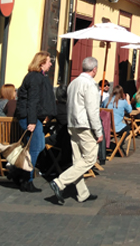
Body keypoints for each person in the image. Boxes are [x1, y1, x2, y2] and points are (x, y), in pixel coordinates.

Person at [49, 57, 103, 205]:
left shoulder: (73, 83)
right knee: (90, 158)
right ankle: (60, 182)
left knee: (78, 160)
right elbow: (92, 111)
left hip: (72, 124)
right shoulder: (90, 85)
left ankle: (82, 193)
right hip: (84, 125)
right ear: (94, 69)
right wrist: (98, 131)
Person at [15, 51, 57, 193]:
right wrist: (32, 121)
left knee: (36, 146)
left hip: (33, 117)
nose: (51, 64)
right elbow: (32, 101)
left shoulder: (37, 77)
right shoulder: (34, 78)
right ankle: (26, 179)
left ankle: (20, 175)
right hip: (29, 117)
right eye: (49, 61)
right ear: (41, 63)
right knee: (36, 147)